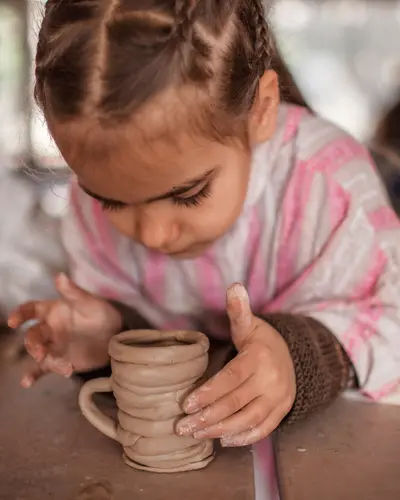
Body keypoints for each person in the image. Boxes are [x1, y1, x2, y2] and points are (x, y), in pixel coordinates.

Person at [8, 1, 400, 496]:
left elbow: (392, 322)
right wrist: (108, 332)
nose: (152, 235)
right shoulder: (92, 212)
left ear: (260, 111)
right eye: (111, 200)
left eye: (187, 194)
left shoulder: (330, 184)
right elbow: (134, 328)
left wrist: (300, 359)